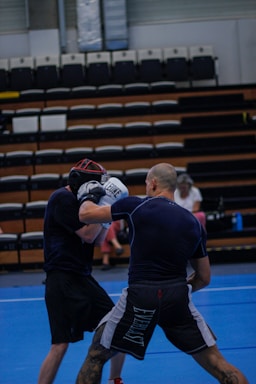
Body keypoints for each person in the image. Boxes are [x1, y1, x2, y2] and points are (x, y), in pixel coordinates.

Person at [75, 162, 248, 384]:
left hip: (141, 295)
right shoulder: (194, 223)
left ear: (153, 183)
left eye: (147, 183)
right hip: (177, 297)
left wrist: (89, 195)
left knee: (96, 356)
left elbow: (86, 215)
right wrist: (176, 290)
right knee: (217, 363)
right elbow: (204, 278)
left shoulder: (136, 206)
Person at [38, 158, 125, 384]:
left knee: (117, 327)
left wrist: (108, 214)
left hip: (81, 277)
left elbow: (97, 242)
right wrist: (105, 205)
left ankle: (115, 380)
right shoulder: (63, 199)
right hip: (62, 278)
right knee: (60, 345)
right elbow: (87, 235)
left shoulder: (83, 201)